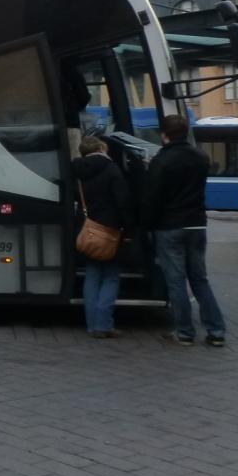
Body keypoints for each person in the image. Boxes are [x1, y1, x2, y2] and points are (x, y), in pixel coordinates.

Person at [141, 114, 226, 347]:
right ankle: (216, 331)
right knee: (200, 279)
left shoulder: (161, 161)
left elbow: (152, 198)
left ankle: (185, 332)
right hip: (197, 223)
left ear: (164, 134)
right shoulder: (200, 157)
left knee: (176, 281)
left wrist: (146, 226)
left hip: (169, 226)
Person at [72, 136, 130, 338]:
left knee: (92, 276)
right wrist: (129, 229)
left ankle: (91, 324)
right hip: (110, 230)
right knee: (111, 277)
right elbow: (123, 202)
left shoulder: (77, 171)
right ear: (101, 149)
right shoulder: (112, 169)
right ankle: (103, 324)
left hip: (87, 230)